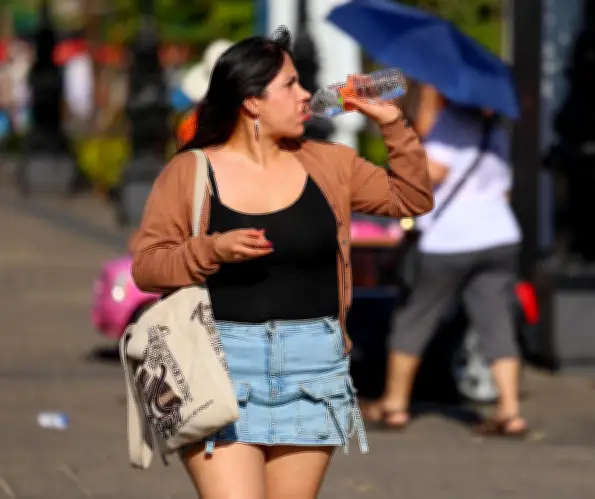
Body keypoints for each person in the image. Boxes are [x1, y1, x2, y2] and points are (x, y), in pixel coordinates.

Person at [130, 28, 433, 499]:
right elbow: (147, 267)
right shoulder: (191, 171)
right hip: (220, 366)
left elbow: (411, 197)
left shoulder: (330, 163)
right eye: (291, 84)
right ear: (252, 100)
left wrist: (392, 123)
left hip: (314, 366)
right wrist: (211, 251)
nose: (307, 94)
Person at [365, 94, 529, 437]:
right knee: (496, 321)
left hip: (450, 238)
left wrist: (415, 146)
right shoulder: (495, 130)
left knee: (416, 316)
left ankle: (394, 405)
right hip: (500, 234)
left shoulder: (449, 125)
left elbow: (432, 173)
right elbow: (505, 190)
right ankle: (510, 411)